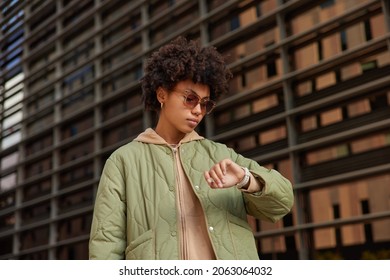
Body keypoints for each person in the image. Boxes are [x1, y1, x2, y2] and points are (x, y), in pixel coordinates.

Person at [89, 36, 294, 260]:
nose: (198, 110)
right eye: (190, 98)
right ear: (162, 94)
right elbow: (105, 246)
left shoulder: (221, 155)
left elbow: (282, 204)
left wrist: (246, 179)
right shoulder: (123, 162)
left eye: (205, 103)